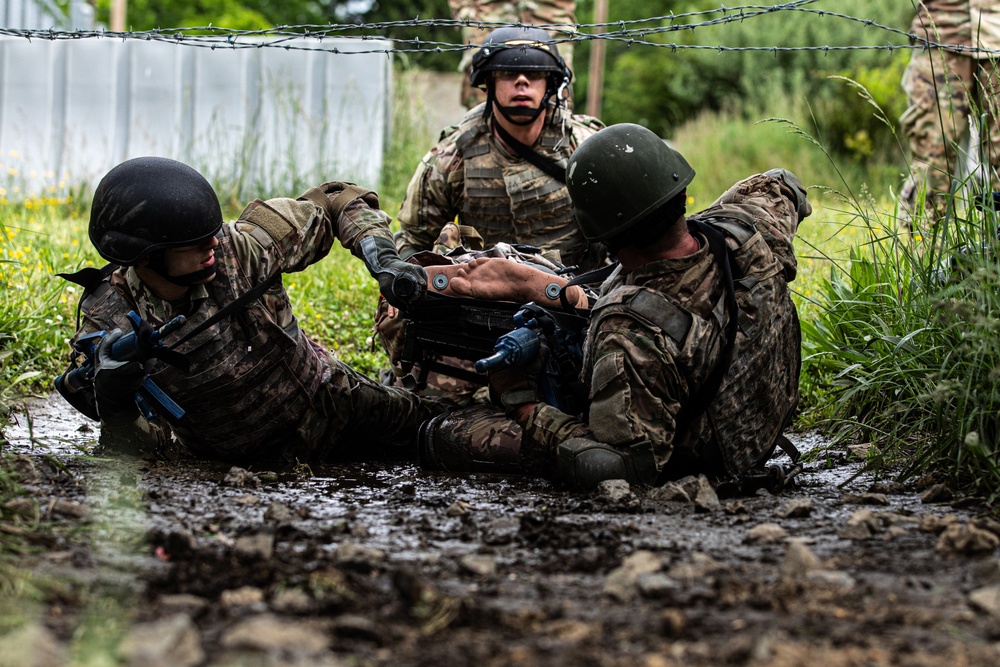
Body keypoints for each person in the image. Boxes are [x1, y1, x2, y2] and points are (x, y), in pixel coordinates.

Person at [419, 123, 811, 490]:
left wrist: (524, 406)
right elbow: (784, 184)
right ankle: (554, 287)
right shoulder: (747, 227)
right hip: (761, 423)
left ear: (603, 234)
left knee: (448, 432)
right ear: (679, 194)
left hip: (708, 456)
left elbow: (623, 467)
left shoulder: (627, 335)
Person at [56, 156, 445, 463]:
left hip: (333, 402)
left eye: (210, 231)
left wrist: (384, 260)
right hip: (234, 463)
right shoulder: (109, 323)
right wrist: (114, 399)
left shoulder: (243, 248)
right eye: (192, 242)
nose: (212, 244)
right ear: (145, 256)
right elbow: (140, 450)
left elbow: (337, 198)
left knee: (444, 428)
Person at [395, 24, 605, 273]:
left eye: (535, 74)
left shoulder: (583, 145)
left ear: (551, 83)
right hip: (482, 294)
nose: (522, 82)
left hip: (577, 294)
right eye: (507, 72)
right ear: (489, 82)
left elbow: (632, 233)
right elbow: (412, 241)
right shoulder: (454, 154)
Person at [900, 0, 1000, 227]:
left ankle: (995, 254)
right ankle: (924, 255)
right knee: (932, 158)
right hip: (941, 30)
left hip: (996, 28)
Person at [449, 0, 577, 110]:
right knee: (482, 92)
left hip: (550, 15)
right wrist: (465, 11)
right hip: (487, 15)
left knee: (558, 93)